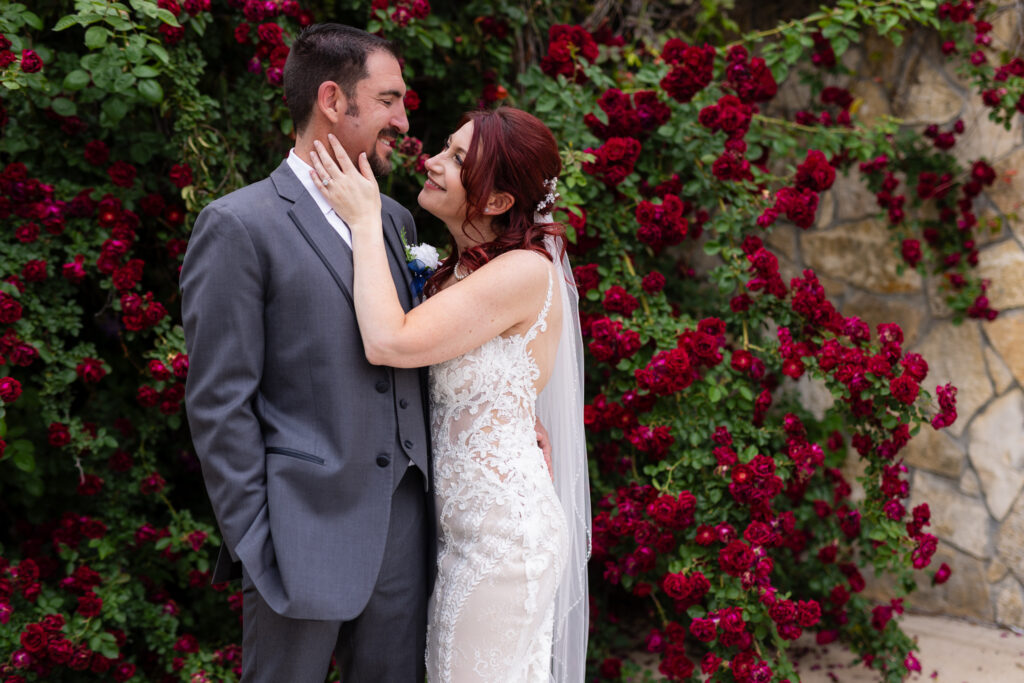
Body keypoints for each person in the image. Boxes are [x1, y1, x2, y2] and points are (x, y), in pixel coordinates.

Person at [181, 24, 434, 683]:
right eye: (389, 100)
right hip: (298, 537)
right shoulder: (240, 225)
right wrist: (258, 545)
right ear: (332, 98)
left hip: (401, 531)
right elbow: (219, 400)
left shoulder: (395, 222)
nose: (403, 120)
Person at [308, 106, 591, 682]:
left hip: (502, 540)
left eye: (458, 160)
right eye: (446, 147)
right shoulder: (451, 273)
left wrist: (363, 220)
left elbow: (389, 341)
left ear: (496, 202)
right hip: (459, 533)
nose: (432, 162)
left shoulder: (524, 272)